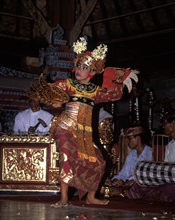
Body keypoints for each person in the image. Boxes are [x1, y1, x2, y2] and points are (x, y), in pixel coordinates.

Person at [32, 37, 139, 208]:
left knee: (100, 162)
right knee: (67, 157)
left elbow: (114, 93)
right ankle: (64, 198)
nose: (80, 70)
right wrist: (54, 101)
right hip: (66, 126)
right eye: (79, 66)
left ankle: (91, 197)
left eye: (85, 67)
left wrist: (120, 77)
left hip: (85, 133)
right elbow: (52, 95)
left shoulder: (96, 91)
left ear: (91, 72)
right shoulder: (67, 84)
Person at [125, 111, 175, 202]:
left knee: (169, 190)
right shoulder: (169, 146)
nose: (163, 126)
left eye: (164, 123)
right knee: (139, 186)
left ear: (173, 123)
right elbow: (166, 170)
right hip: (171, 183)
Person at [111, 125, 152, 189]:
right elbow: (124, 173)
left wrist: (131, 181)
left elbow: (146, 175)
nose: (127, 142)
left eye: (130, 139)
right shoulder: (132, 154)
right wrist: (117, 179)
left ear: (138, 138)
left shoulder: (149, 153)